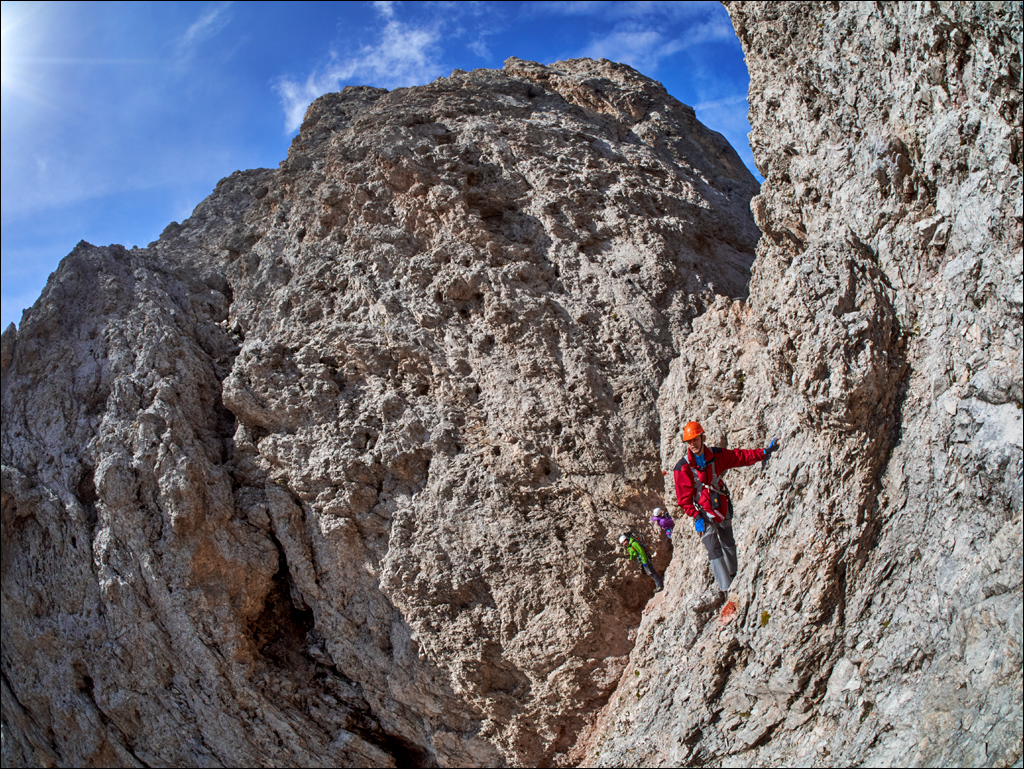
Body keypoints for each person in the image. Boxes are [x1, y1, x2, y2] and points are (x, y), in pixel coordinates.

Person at [673, 421, 778, 594]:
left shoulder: (716, 455)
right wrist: (696, 516)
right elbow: (684, 499)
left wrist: (763, 453)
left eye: (695, 439)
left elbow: (739, 457)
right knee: (712, 548)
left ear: (702, 438)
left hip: (721, 506)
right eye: (689, 441)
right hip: (703, 513)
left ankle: (734, 575)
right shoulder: (682, 467)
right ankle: (726, 589)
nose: (692, 444)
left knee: (728, 542)